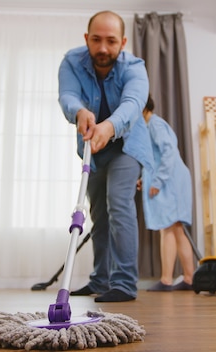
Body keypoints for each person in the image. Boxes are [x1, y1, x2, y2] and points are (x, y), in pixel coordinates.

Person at [58, 10, 154, 302]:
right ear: (86, 39)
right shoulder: (71, 62)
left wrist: (110, 126)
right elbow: (68, 96)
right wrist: (80, 112)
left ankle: (124, 283)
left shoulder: (135, 67)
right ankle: (100, 279)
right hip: (92, 148)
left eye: (110, 41)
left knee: (118, 205)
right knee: (98, 214)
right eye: (96, 40)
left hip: (127, 144)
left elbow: (133, 103)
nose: (102, 48)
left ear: (122, 42)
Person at [138, 94, 196, 292]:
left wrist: (157, 180)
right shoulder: (150, 126)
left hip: (171, 181)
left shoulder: (155, 124)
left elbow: (169, 153)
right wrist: (145, 180)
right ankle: (188, 278)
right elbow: (154, 160)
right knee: (174, 228)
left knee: (170, 227)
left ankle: (167, 280)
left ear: (143, 107)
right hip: (171, 180)